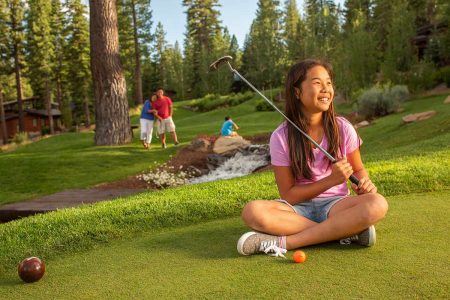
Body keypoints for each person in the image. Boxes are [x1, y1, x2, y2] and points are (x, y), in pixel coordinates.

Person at [236, 59, 388, 257]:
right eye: (317, 83)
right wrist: (330, 180)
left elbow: (358, 169)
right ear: (297, 92)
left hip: (336, 205)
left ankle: (285, 243)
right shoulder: (280, 137)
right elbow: (289, 195)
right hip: (296, 210)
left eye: (329, 83)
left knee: (377, 204)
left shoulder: (343, 128)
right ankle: (344, 231)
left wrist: (364, 184)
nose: (326, 89)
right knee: (252, 211)